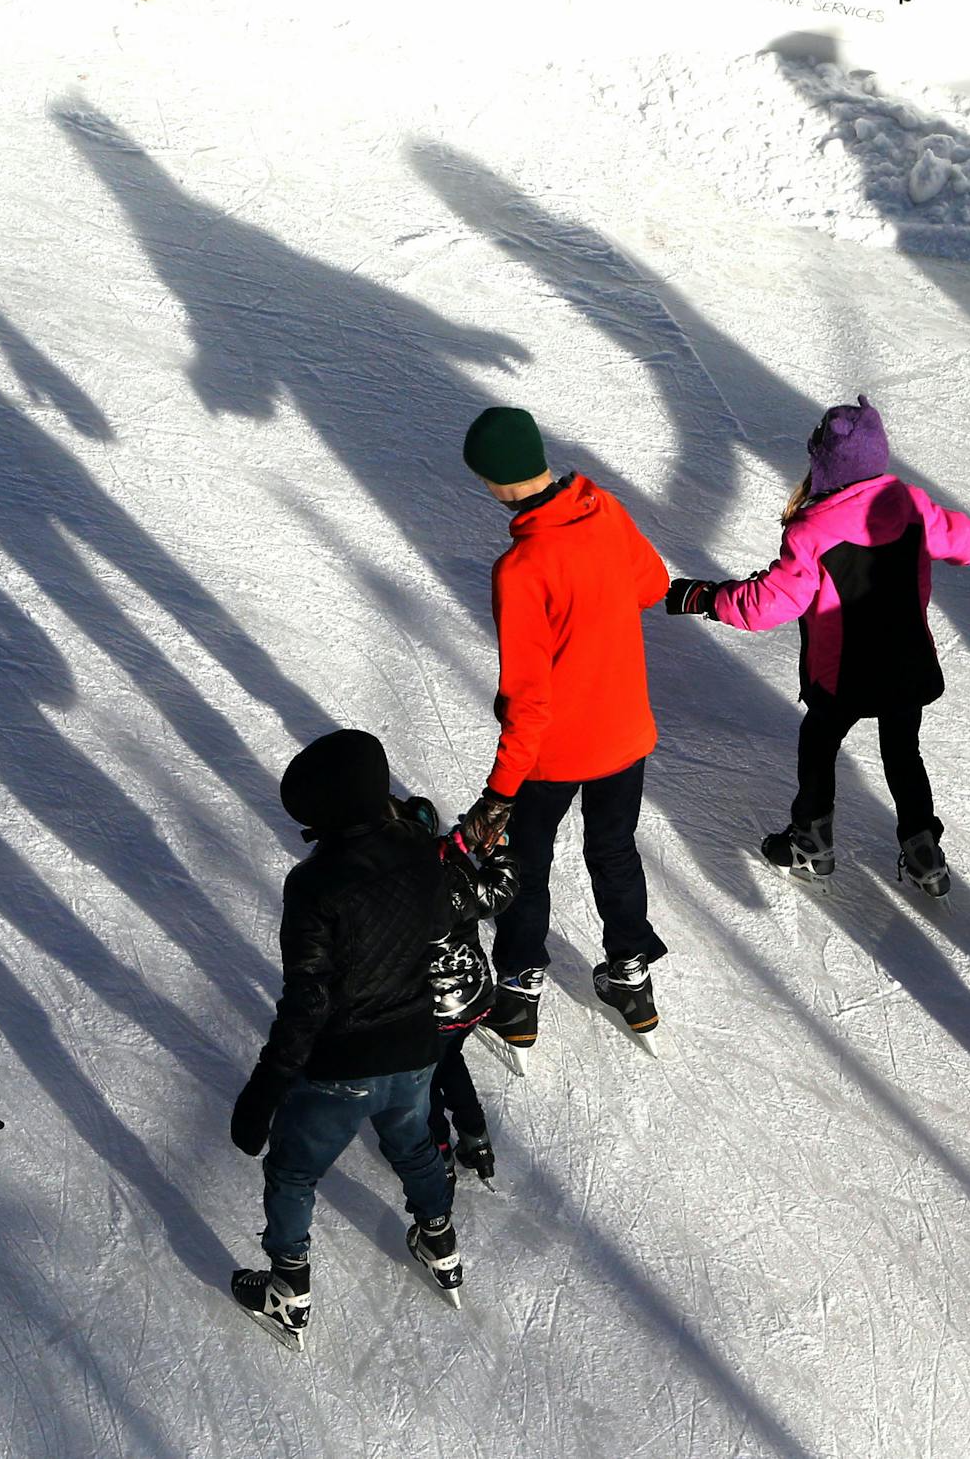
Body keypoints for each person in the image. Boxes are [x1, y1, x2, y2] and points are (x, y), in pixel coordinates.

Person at [663, 396, 970, 897]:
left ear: (823, 465)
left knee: (819, 745)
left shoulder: (812, 531)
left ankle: (812, 842)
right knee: (902, 750)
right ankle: (923, 847)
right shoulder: (911, 505)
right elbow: (957, 538)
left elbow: (769, 603)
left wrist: (707, 598)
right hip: (906, 661)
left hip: (843, 672)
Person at [229, 731, 475, 1348]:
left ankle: (288, 1289)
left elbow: (308, 1000)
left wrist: (266, 1088)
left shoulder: (314, 885)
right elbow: (447, 917)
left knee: (292, 1172)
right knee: (415, 1146)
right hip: (418, 1051)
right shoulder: (420, 850)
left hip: (341, 1069)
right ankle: (439, 1240)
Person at [457, 406, 673, 1056]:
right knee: (613, 851)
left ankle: (520, 994)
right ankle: (630, 976)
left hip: (553, 753)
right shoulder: (602, 507)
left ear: (496, 482)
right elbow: (652, 583)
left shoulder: (522, 569)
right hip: (625, 733)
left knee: (524, 860)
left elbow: (529, 699)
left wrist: (499, 792)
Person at [390, 795, 515, 1187]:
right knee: (450, 1062)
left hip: (429, 1012)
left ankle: (438, 1151)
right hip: (473, 997)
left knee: (422, 1079)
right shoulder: (454, 867)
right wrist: (500, 853)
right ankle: (476, 1138)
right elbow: (497, 895)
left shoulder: (390, 889)